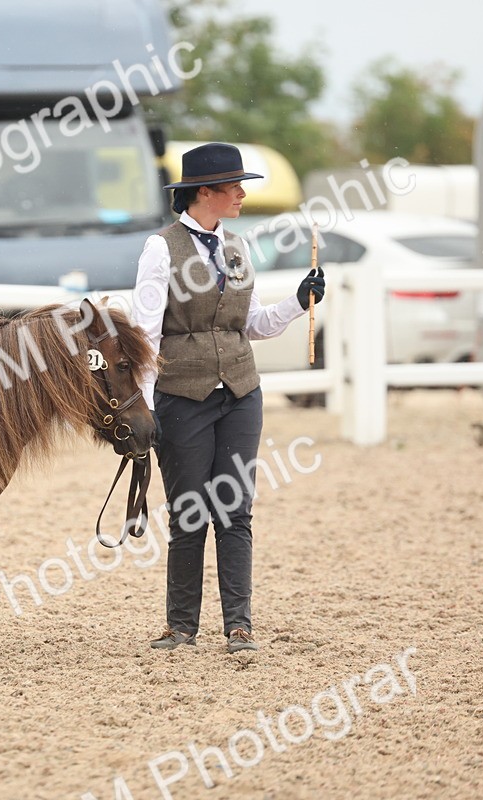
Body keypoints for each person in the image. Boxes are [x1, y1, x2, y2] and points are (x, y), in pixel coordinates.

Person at [132, 142, 324, 654]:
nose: (241, 193)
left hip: (241, 392)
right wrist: (145, 404)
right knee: (189, 510)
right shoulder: (161, 249)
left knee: (236, 509)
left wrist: (297, 303)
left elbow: (252, 324)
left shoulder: (237, 247)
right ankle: (181, 625)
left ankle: (239, 624)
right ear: (204, 192)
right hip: (182, 395)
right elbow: (146, 334)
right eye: (233, 185)